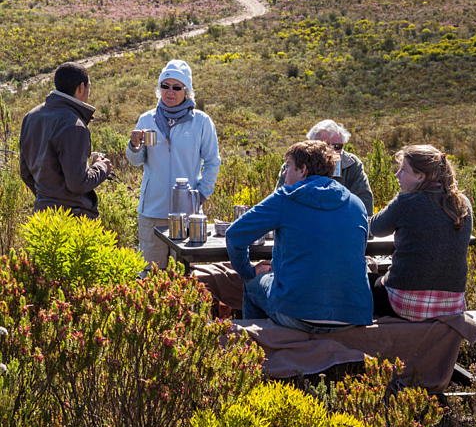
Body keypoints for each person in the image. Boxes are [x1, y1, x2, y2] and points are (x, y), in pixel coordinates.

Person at [226, 140, 373, 331]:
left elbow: (234, 235)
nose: (284, 173)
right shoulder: (356, 203)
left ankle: (261, 345)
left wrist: (248, 272)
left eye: (288, 166)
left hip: (297, 312)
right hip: (353, 315)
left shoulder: (286, 197)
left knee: (252, 285)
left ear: (303, 170)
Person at [127, 59, 221, 270]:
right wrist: (134, 146)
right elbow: (135, 161)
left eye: (177, 87)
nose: (170, 92)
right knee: (150, 275)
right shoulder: (146, 119)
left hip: (187, 215)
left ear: (186, 91)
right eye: (165, 86)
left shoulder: (201, 121)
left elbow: (212, 162)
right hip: (152, 212)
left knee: (184, 275)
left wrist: (200, 195)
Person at [368, 145, 473, 321]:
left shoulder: (406, 201)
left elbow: (376, 228)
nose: (397, 175)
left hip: (405, 305)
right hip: (452, 306)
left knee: (364, 282)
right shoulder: (462, 203)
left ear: (420, 176)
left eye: (403, 170)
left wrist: (400, 197)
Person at [19, 62, 112, 219]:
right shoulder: (74, 125)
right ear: (81, 87)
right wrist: (102, 167)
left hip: (41, 216)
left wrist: (47, 199)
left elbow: (25, 172)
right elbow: (78, 183)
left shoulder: (31, 117)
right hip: (71, 218)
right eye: (89, 87)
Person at [276, 119, 373, 215]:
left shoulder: (351, 164)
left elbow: (365, 204)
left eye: (337, 146)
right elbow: (278, 200)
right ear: (311, 144)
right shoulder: (294, 164)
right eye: (324, 146)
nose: (331, 151)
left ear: (343, 145)